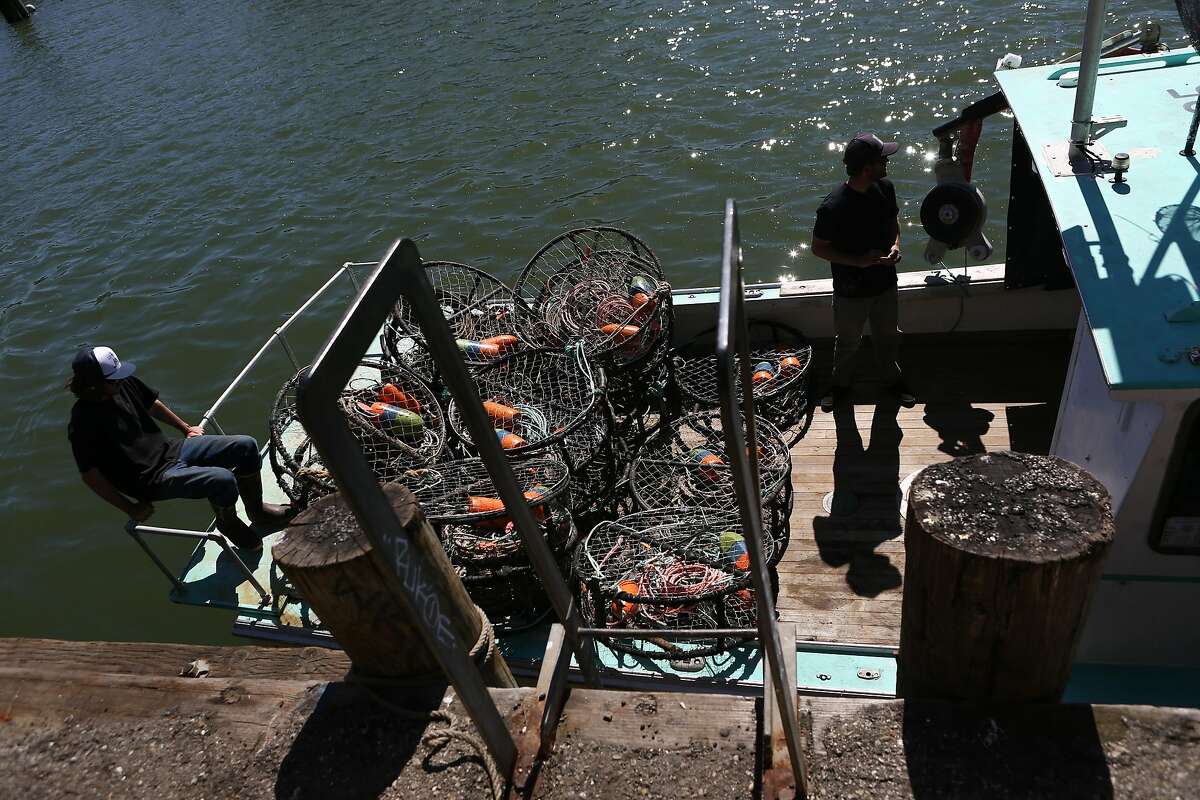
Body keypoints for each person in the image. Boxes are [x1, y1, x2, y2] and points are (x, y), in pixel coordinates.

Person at [67, 345, 293, 550]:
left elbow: (151, 404)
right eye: (113, 380)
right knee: (222, 480)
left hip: (170, 449)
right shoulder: (82, 422)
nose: (121, 381)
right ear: (93, 384)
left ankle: (257, 511)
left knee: (247, 446)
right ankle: (229, 524)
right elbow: (91, 476)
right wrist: (130, 508)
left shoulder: (122, 382)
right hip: (149, 478)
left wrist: (185, 428)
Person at [812, 132, 917, 413]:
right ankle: (840, 386)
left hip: (885, 285)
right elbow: (819, 248)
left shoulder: (885, 187)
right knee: (847, 343)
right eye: (882, 159)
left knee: (888, 337)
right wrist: (857, 262)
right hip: (850, 292)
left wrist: (896, 245)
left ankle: (893, 382)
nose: (887, 163)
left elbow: (893, 220)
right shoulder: (833, 207)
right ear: (867, 167)